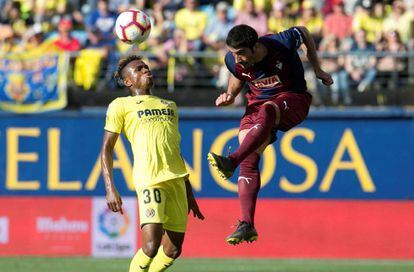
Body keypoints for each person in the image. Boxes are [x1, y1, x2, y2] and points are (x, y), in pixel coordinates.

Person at [207, 24, 333, 245]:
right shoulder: (233, 59)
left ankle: (231, 161)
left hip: (293, 99)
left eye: (240, 53)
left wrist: (318, 68)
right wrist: (230, 94)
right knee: (250, 159)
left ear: (255, 47)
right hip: (255, 104)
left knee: (268, 110)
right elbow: (238, 74)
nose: (235, 58)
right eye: (233, 53)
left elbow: (303, 31)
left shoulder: (280, 43)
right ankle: (247, 224)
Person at [101, 55, 204, 272]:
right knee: (150, 246)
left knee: (173, 250)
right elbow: (107, 149)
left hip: (176, 180)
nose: (146, 70)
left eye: (146, 67)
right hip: (150, 179)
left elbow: (173, 148)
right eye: (139, 69)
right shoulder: (121, 105)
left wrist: (188, 190)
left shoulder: (170, 105)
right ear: (128, 81)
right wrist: (110, 188)